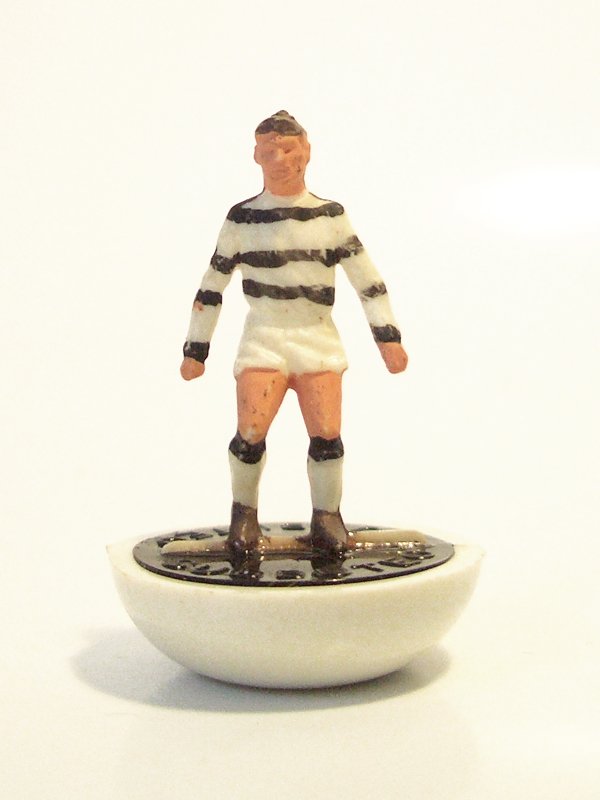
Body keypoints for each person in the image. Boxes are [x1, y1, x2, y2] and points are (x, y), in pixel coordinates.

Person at [180, 111, 408, 555]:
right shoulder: (242, 219)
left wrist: (389, 340)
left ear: (307, 152)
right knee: (251, 429)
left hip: (316, 338)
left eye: (289, 150)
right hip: (264, 337)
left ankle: (327, 517)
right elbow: (212, 286)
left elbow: (367, 282)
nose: (281, 160)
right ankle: (243, 516)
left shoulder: (330, 217)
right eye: (270, 152)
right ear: (256, 157)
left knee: (326, 431)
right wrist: (196, 350)